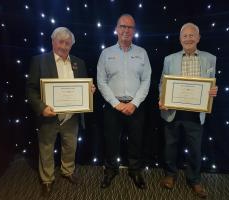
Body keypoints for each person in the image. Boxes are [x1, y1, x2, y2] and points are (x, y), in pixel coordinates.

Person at [26, 27, 95, 196]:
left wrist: (89, 90)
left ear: (71, 44)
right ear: (53, 41)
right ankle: (47, 179)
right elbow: (31, 90)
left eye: (68, 43)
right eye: (61, 42)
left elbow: (83, 88)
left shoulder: (79, 62)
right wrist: (42, 108)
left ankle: (67, 171)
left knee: (70, 146)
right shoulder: (39, 61)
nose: (64, 46)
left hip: (71, 117)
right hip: (49, 116)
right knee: (47, 148)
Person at [158, 23, 218, 198]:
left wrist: (213, 90)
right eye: (185, 36)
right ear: (180, 39)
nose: (189, 38)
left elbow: (211, 83)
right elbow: (163, 83)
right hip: (172, 111)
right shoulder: (169, 59)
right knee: (170, 146)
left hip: (195, 113)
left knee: (195, 149)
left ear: (198, 38)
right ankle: (170, 175)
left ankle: (194, 180)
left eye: (192, 35)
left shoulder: (210, 58)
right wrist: (162, 99)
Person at [97, 14, 151, 189]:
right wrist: (116, 103)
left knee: (136, 140)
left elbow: (146, 80)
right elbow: (101, 82)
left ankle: (135, 170)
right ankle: (111, 169)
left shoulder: (142, 53)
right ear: (116, 29)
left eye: (130, 27)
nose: (126, 30)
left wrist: (134, 103)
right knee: (111, 140)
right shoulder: (106, 53)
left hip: (136, 106)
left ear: (134, 31)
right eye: (123, 26)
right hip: (113, 106)